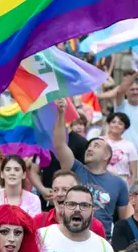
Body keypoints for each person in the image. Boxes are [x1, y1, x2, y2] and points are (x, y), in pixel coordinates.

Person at [52, 98, 128, 236]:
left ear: (107, 156)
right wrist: (61, 114)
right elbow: (59, 145)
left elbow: (123, 221)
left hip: (101, 238)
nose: (89, 149)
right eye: (88, 146)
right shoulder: (75, 169)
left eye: (96, 146)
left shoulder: (119, 184)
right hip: (72, 233)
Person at [32, 170, 106, 238]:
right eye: (55, 190)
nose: (59, 194)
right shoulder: (39, 221)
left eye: (65, 190)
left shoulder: (95, 226)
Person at [104, 112, 138, 184]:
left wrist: (130, 189)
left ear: (124, 128)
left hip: (122, 181)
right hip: (102, 180)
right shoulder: (100, 141)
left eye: (120, 123)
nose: (116, 125)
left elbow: (134, 173)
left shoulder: (130, 146)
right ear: (109, 124)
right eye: (113, 122)